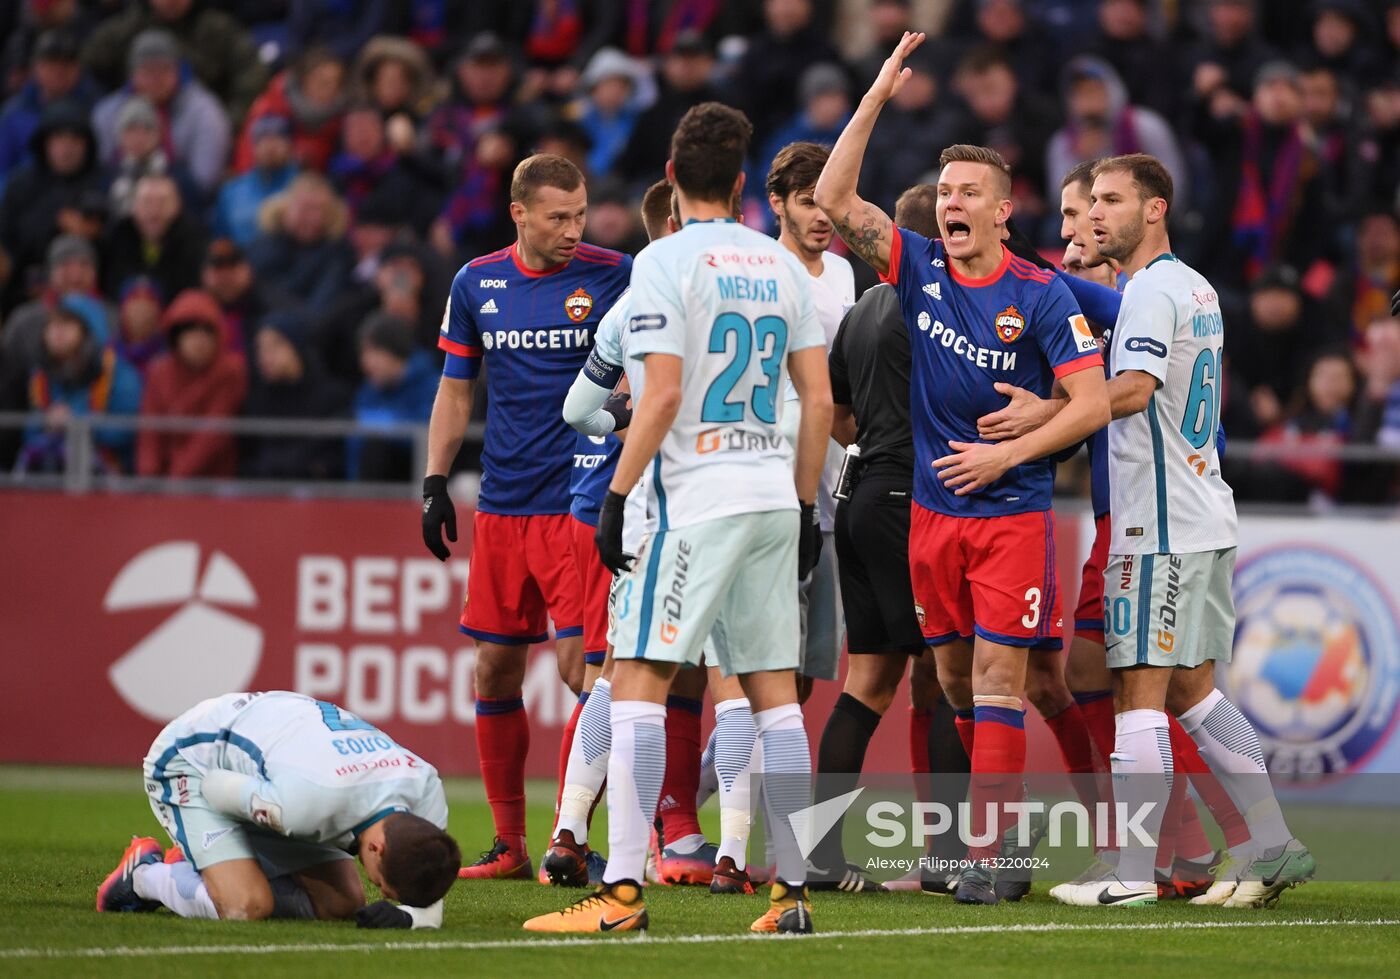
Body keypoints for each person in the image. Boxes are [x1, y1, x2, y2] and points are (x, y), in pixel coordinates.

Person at [814, 32, 1110, 906]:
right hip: (931, 521)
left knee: (998, 679)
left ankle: (995, 853)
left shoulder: (1042, 293)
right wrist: (875, 93)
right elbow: (835, 197)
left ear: (1001, 211)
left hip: (1013, 515)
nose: (951, 201)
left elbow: (1089, 402)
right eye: (944, 190)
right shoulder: (917, 272)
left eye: (968, 192)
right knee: (947, 681)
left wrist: (1012, 450)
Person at [523, 100, 833, 935]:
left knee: (636, 684)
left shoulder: (662, 264)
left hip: (694, 502)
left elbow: (656, 395)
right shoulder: (778, 264)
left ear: (669, 178)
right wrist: (804, 505)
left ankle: (621, 892)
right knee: (775, 700)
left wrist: (619, 495)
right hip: (773, 497)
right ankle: (791, 895)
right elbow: (820, 398)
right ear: (742, 184)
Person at [1041, 152, 1315, 908]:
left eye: (1111, 200)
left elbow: (1132, 390)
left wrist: (1044, 420)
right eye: (1090, 200)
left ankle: (1132, 869)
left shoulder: (1153, 292)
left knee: (1138, 692)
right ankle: (1271, 843)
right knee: (1194, 693)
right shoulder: (1193, 286)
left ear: (1155, 208)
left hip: (1158, 526)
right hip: (1199, 512)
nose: (1095, 213)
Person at [422, 153, 631, 881]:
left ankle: (565, 838)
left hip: (578, 500)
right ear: (519, 213)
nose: (575, 229)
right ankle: (510, 845)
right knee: (493, 668)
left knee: (587, 673)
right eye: (558, 217)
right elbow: (456, 390)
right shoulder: (476, 282)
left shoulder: (617, 274)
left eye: (580, 214)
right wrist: (434, 480)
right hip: (504, 504)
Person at [812, 184, 970, 894]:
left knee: (868, 682)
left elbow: (838, 418)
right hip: (914, 498)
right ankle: (945, 858)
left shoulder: (860, 311)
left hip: (858, 495)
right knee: (947, 673)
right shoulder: (932, 304)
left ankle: (819, 855)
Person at [95, 690, 459, 929]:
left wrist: (410, 920)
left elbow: (427, 892)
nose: (381, 892)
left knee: (342, 902)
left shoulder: (425, 793)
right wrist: (233, 853)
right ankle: (145, 875)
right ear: (377, 848)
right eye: (384, 885)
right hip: (194, 761)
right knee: (247, 905)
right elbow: (216, 789)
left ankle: (217, 863)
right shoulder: (300, 805)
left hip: (282, 757)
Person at [767, 141, 854, 705]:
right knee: (763, 668)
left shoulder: (845, 274)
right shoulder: (756, 271)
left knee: (800, 682)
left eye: (827, 202)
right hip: (770, 491)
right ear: (777, 203)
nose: (822, 216)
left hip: (829, 494)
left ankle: (710, 786)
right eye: (806, 202)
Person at [90, 29, 231, 198]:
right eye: (147, 71)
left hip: (181, 201)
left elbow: (205, 180)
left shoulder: (204, 111)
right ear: (132, 74)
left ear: (178, 71)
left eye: (163, 70)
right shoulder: (107, 112)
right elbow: (97, 167)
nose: (155, 79)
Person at [18, 296, 141, 474]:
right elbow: (28, 431)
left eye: (67, 324)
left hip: (107, 476)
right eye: (52, 324)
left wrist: (77, 423)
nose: (57, 332)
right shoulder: (41, 375)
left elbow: (128, 429)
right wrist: (46, 423)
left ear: (90, 332)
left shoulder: (118, 373)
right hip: (51, 472)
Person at [137, 289, 248, 479]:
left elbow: (213, 433)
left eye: (206, 331)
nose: (199, 341)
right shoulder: (159, 372)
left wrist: (175, 480)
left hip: (214, 484)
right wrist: (148, 479)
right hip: (163, 485)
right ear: (176, 337)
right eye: (190, 332)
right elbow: (150, 432)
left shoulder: (231, 371)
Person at [348, 312, 437, 482]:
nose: (366, 362)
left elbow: (431, 439)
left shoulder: (433, 386)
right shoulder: (368, 390)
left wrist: (388, 425)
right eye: (363, 353)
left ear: (395, 351)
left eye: (374, 352)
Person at [102, 172, 207, 300]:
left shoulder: (194, 240)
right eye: (147, 202)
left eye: (163, 202)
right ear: (134, 207)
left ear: (178, 206)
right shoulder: (119, 236)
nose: (154, 211)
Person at [213, 115, 298, 248]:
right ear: (253, 146)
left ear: (290, 144)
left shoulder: (303, 186)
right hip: (243, 264)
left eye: (278, 137)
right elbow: (221, 240)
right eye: (262, 139)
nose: (270, 145)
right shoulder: (232, 191)